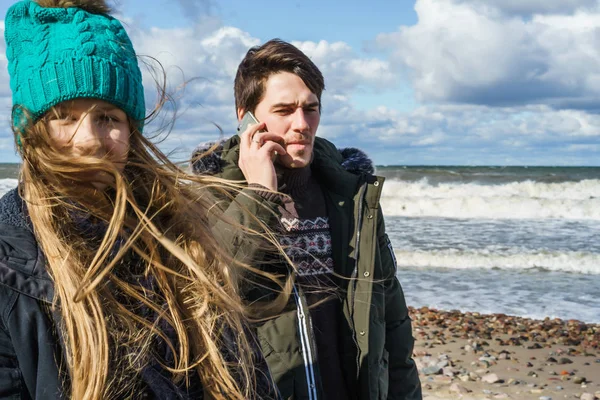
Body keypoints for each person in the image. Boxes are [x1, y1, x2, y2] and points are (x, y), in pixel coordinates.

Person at [0, 1, 283, 399]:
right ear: (29, 130)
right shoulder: (9, 261)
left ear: (132, 130)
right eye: (63, 116)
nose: (89, 140)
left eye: (109, 118)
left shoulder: (180, 239)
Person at [191, 39, 422, 399]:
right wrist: (258, 195)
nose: (302, 124)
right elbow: (210, 295)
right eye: (284, 110)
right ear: (245, 118)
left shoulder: (351, 196)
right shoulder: (207, 196)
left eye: (311, 108)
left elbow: (391, 321)